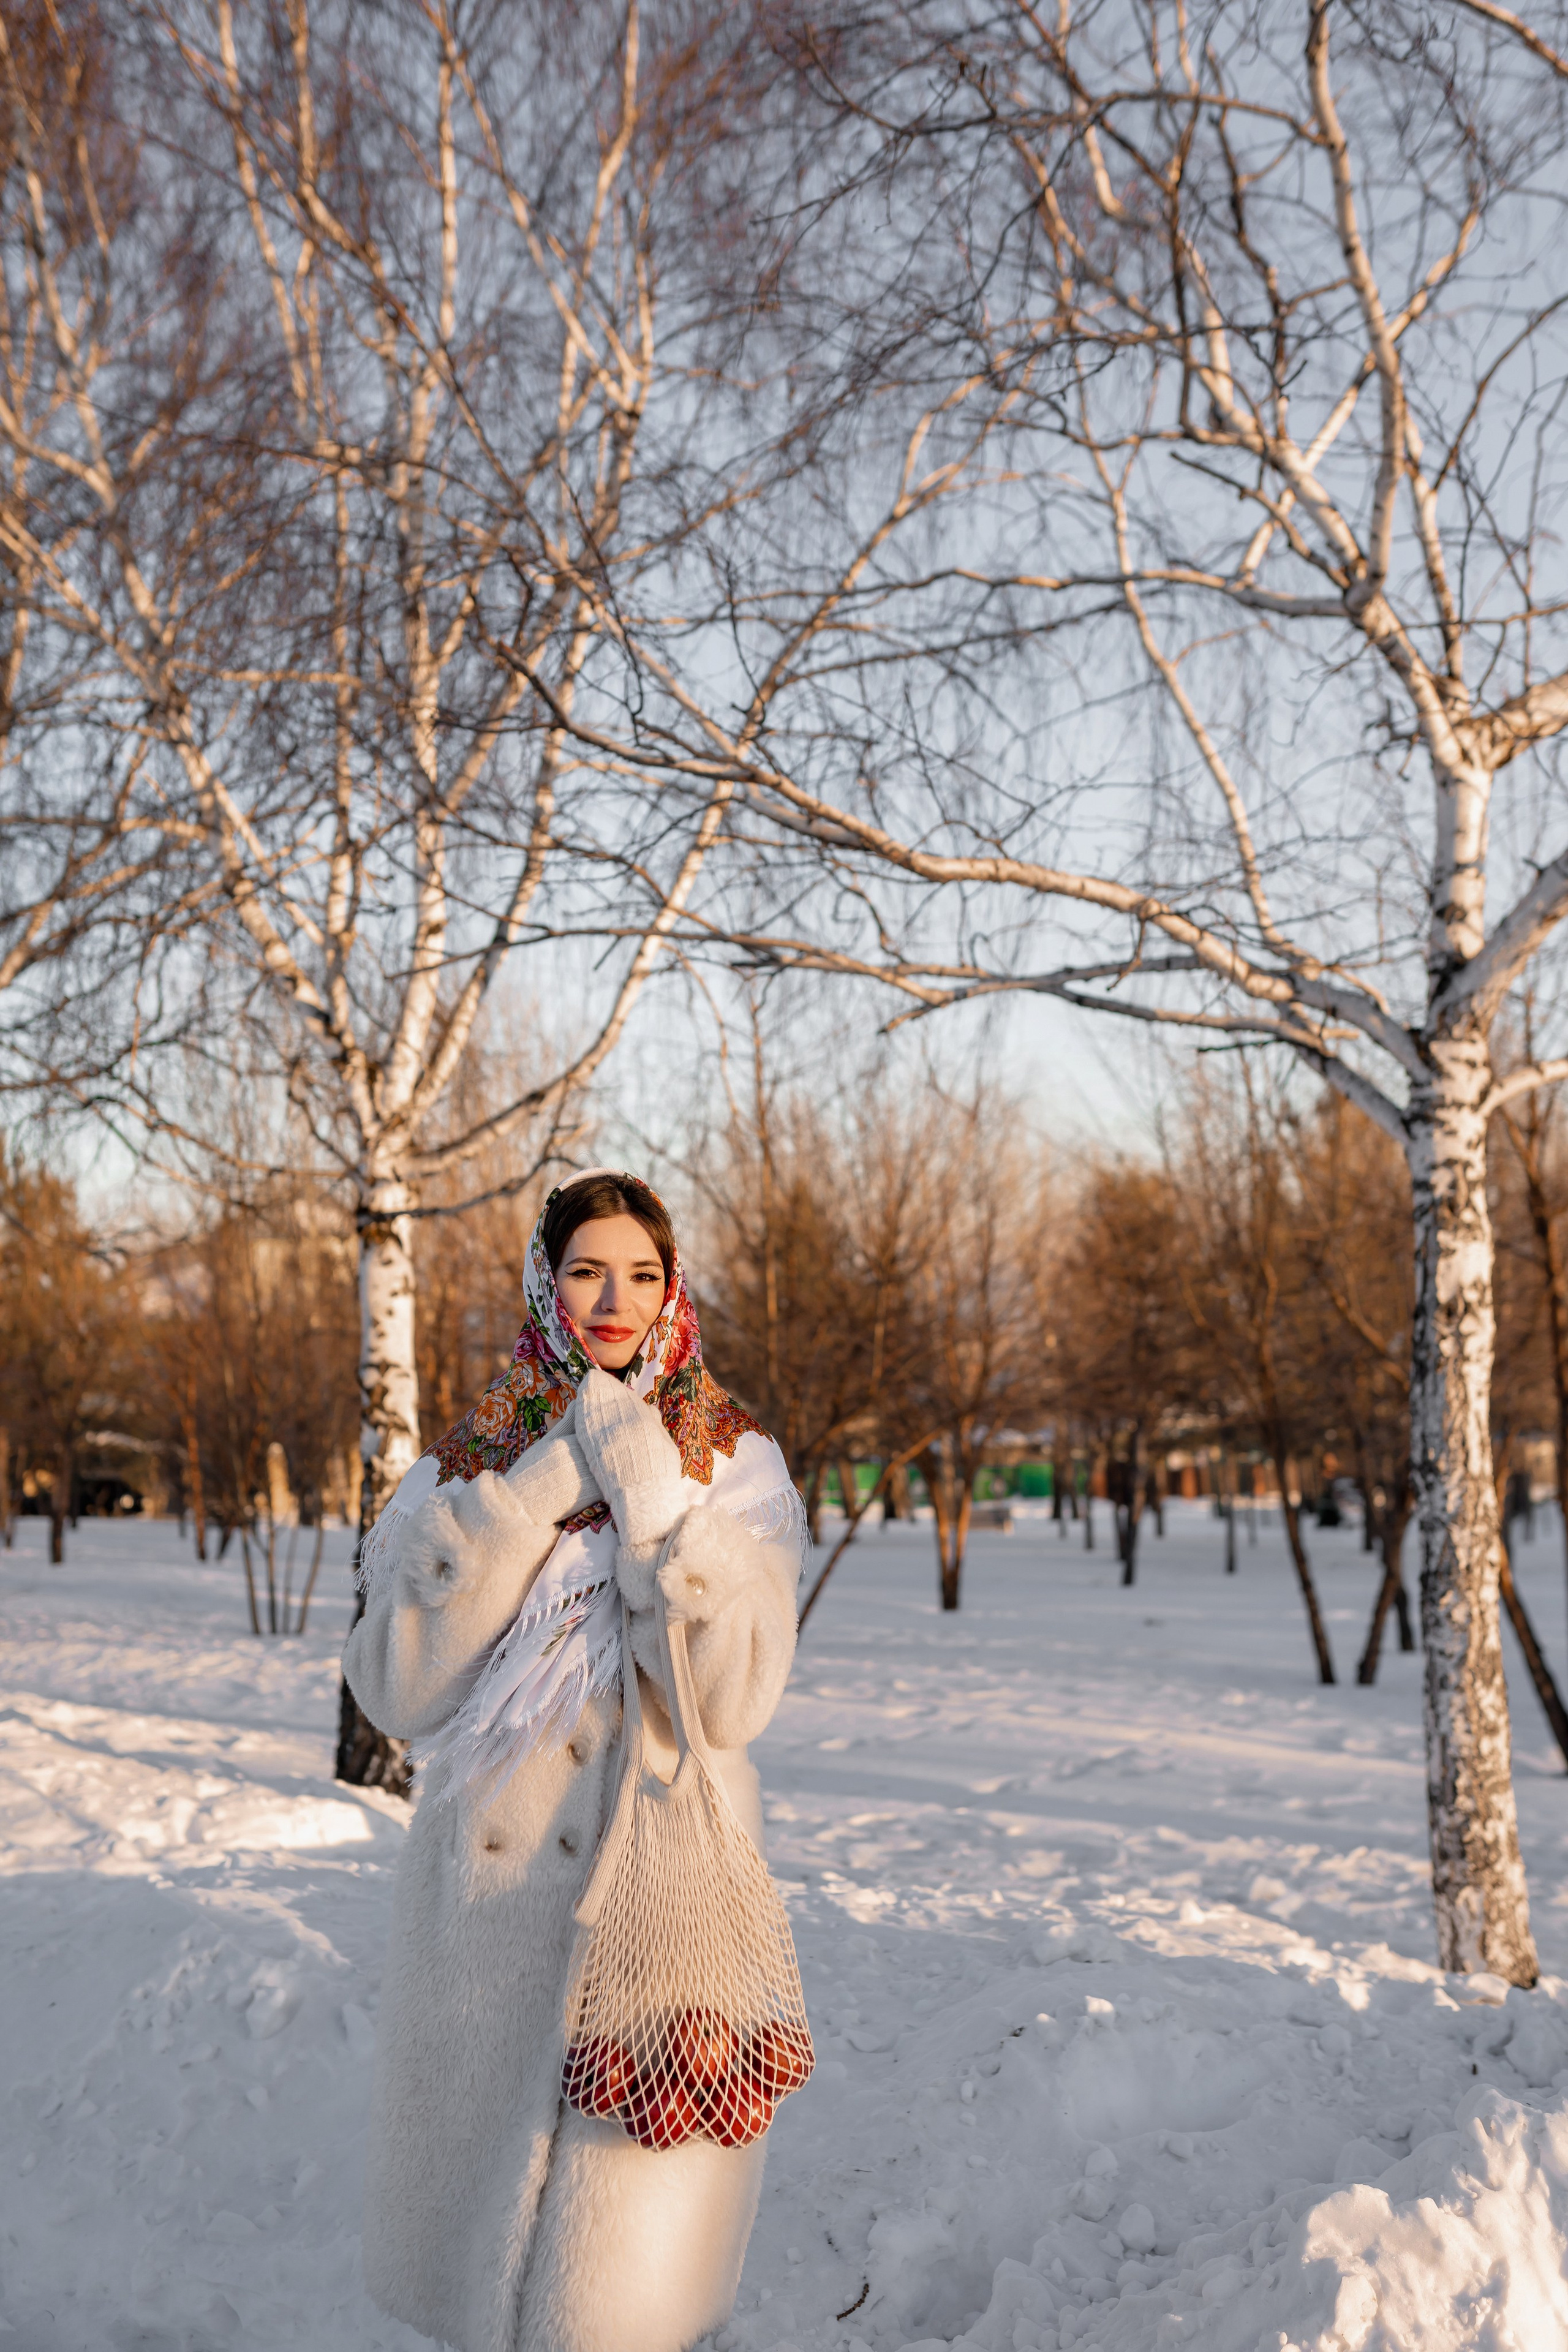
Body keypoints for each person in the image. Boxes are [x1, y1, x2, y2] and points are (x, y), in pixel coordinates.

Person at [343, 1170, 806, 2352]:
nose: (616, 1299)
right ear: (546, 1283)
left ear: (673, 1289)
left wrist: (654, 1512)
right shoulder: (469, 1461)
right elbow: (400, 1691)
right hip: (494, 1904)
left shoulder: (729, 1461)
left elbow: (732, 1701)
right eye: (587, 1270)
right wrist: (537, 1491)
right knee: (480, 2276)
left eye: (643, 1274)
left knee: (617, 2295)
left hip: (659, 1892)